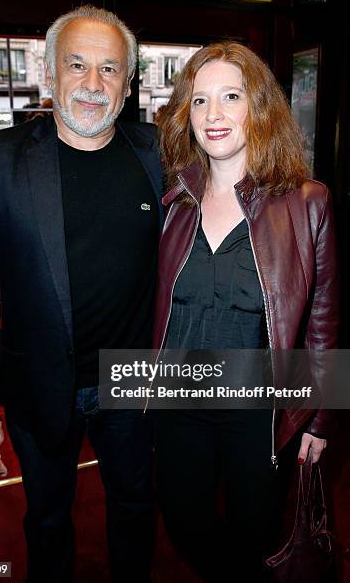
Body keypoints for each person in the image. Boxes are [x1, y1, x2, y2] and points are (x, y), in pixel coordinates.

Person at [0, 5, 163, 582]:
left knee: (138, 510)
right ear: (49, 72)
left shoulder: (160, 155)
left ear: (130, 82)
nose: (94, 84)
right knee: (46, 519)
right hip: (38, 382)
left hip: (134, 381)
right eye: (77, 64)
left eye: (111, 69)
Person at [152, 42, 338, 582]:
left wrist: (320, 417)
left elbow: (324, 320)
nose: (214, 115)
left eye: (230, 97)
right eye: (201, 101)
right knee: (185, 524)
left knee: (258, 532)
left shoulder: (307, 203)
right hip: (180, 396)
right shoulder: (174, 201)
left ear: (257, 105)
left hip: (259, 409)